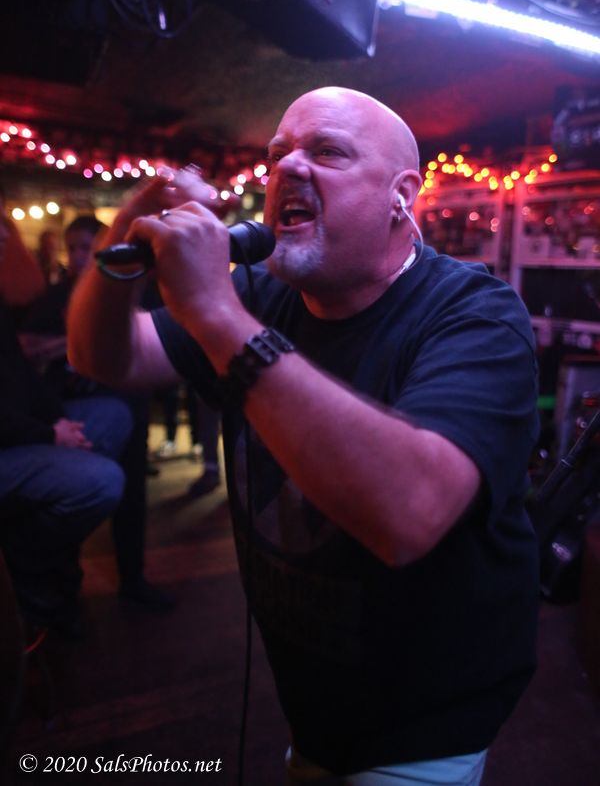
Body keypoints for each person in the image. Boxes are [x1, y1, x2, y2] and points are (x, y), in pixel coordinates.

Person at [68, 88, 540, 785]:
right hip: (314, 711)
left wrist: (214, 310)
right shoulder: (264, 295)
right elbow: (103, 357)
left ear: (400, 196)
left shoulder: (475, 314)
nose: (288, 167)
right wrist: (122, 245)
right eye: (279, 154)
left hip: (425, 728)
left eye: (327, 152)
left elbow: (409, 511)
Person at [19, 215, 174, 612]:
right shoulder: (56, 295)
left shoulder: (131, 290)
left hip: (128, 401)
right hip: (74, 411)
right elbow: (26, 347)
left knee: (132, 496)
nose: (77, 256)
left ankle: (132, 579)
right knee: (77, 496)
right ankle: (66, 591)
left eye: (85, 248)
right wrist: (78, 342)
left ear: (104, 249)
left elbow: (157, 336)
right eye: (72, 248)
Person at [0, 211, 129, 637]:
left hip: (24, 429)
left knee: (113, 415)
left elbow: (21, 373)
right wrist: (49, 434)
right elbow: (31, 349)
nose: (4, 233)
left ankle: (55, 544)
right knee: (102, 481)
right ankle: (26, 562)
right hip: (12, 441)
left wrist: (57, 420)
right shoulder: (53, 295)